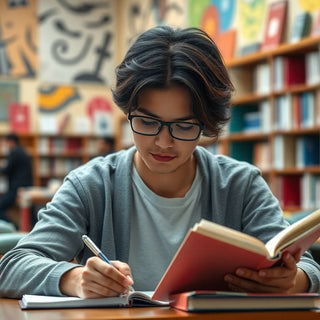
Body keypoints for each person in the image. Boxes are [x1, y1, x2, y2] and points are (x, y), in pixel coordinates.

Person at [0, 26, 319, 299]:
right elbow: (12, 266)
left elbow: (308, 269)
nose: (164, 142)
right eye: (148, 122)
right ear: (128, 113)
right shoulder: (92, 185)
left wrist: (293, 281)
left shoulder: (241, 184)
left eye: (183, 126)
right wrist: (74, 279)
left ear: (206, 124)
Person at [0, 133, 33, 227]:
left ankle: (12, 227)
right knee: (31, 216)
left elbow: (6, 170)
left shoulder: (15, 153)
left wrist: (2, 166)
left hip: (18, 189)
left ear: (12, 142)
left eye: (6, 143)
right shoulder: (21, 151)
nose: (5, 146)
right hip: (24, 187)